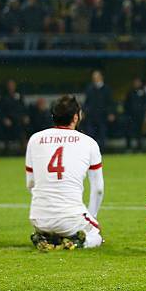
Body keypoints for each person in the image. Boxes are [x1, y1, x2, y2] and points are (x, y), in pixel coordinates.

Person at [26, 95, 104, 250]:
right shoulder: (89, 143)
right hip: (71, 218)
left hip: (38, 217)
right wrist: (92, 217)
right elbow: (98, 188)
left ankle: (46, 236)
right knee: (96, 234)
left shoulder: (35, 139)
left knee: (54, 223)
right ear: (75, 117)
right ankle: (77, 242)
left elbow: (30, 184)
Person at [83, 70, 115, 150]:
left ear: (101, 77)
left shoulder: (107, 89)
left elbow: (110, 103)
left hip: (102, 116)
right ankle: (91, 153)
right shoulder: (89, 89)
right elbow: (86, 102)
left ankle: (102, 152)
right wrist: (84, 111)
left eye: (96, 77)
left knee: (102, 136)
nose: (94, 79)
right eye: (93, 77)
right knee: (90, 136)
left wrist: (111, 113)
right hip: (91, 117)